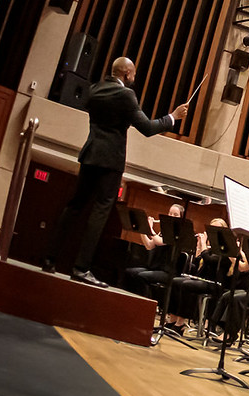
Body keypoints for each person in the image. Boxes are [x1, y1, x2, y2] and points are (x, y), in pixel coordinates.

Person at [44, 57, 187, 285]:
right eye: (134, 73)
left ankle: (49, 259)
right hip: (110, 161)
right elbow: (147, 128)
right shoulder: (126, 95)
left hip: (90, 154)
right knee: (100, 212)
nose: (134, 77)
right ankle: (81, 268)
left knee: (74, 207)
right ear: (127, 73)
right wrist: (173, 117)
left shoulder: (95, 89)